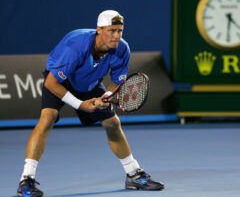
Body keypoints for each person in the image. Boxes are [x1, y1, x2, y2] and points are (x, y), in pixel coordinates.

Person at [17, 10, 164, 197]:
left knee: (113, 123)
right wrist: (80, 104)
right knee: (48, 118)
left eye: (120, 30)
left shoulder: (122, 48)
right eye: (112, 30)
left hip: (91, 82)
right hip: (60, 81)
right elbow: (51, 83)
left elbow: (118, 80)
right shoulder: (75, 45)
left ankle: (134, 175)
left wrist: (107, 96)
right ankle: (26, 180)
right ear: (99, 30)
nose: (117, 35)